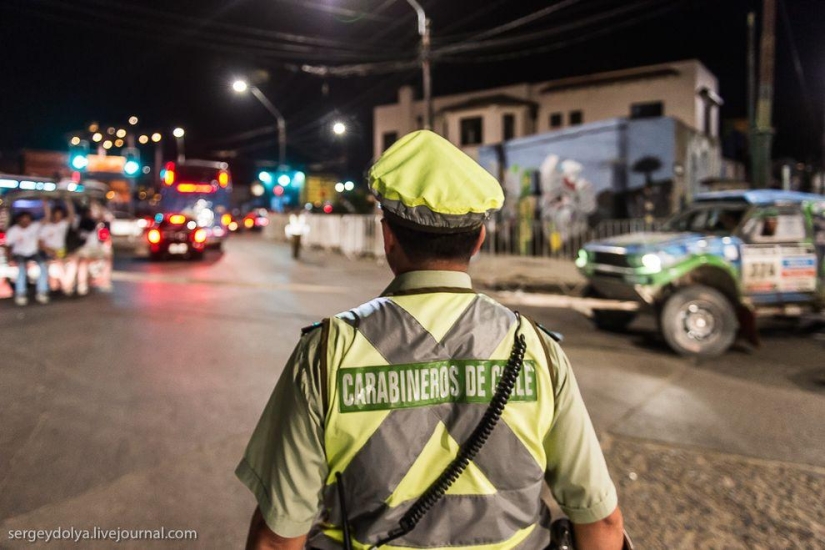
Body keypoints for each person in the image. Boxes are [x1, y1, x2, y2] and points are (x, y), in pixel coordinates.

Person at [237, 131, 625, 550]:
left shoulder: (328, 352)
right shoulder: (535, 347)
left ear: (388, 238)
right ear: (478, 241)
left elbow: (277, 538)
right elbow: (601, 521)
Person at [3, 209, 49, 305]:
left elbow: (47, 219)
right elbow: (7, 246)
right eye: (23, 220)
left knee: (43, 266)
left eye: (28, 220)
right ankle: (21, 293)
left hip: (33, 253)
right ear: (19, 220)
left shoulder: (34, 226)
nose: (26, 222)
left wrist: (45, 202)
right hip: (19, 253)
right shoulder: (13, 230)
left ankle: (42, 292)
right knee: (21, 268)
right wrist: (9, 259)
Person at [38, 200, 75, 293]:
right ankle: (66, 286)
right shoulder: (46, 227)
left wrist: (68, 201)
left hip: (61, 251)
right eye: (56, 215)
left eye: (60, 215)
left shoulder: (62, 225)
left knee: (73, 261)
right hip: (49, 252)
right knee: (58, 262)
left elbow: (71, 216)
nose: (58, 217)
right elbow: (40, 244)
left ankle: (66, 285)